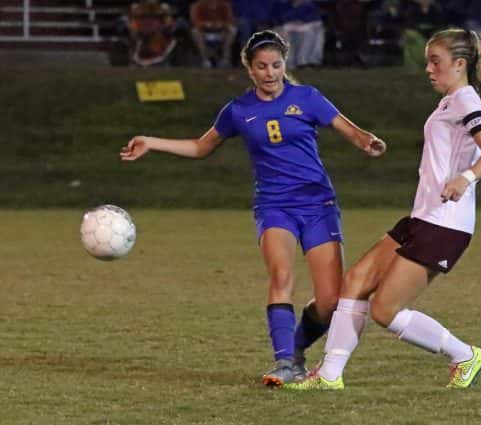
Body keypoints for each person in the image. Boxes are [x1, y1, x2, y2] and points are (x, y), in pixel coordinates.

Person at [285, 28, 481, 391]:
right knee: (355, 282)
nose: (428, 68)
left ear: (459, 64)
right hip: (423, 217)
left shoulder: (464, 100)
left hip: (445, 223)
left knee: (385, 310)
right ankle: (330, 376)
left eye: (436, 61)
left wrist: (465, 177)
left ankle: (465, 356)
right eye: (428, 60)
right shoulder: (459, 101)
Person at [120, 30, 387, 387]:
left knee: (329, 302)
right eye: (262, 66)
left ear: (284, 65)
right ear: (250, 69)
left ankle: (293, 349)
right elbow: (201, 147)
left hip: (318, 203)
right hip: (274, 205)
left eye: (276, 65)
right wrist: (151, 142)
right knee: (281, 277)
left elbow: (349, 130)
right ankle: (284, 363)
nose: (270, 73)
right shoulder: (238, 110)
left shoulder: (307, 98)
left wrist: (367, 141)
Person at [189, 0, 237, 68]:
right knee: (195, 32)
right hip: (204, 32)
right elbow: (195, 21)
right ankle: (205, 60)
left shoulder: (224, 5)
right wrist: (205, 24)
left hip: (221, 31)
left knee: (232, 30)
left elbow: (230, 20)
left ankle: (225, 59)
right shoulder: (198, 5)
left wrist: (222, 24)